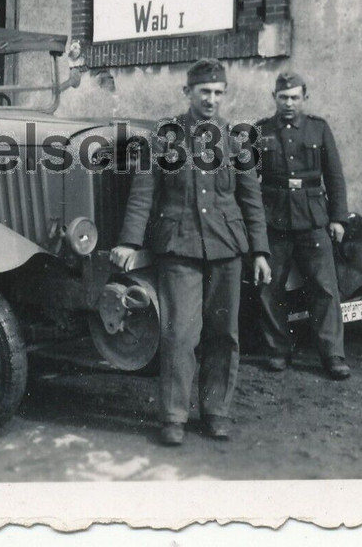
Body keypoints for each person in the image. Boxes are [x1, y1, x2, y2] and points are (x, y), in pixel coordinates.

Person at [111, 58, 272, 446]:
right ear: (188, 93)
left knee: (224, 335)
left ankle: (216, 411)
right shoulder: (165, 139)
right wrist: (130, 241)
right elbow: (143, 194)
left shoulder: (236, 142)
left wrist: (261, 252)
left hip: (226, 248)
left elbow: (251, 201)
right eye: (205, 92)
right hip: (180, 247)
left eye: (219, 93)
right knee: (180, 335)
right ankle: (173, 416)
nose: (212, 100)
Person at [253, 71, 352, 380]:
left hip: (312, 219)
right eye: (283, 97)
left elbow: (334, 176)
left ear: (304, 98)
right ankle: (278, 350)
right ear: (274, 98)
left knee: (324, 287)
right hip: (274, 219)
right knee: (270, 287)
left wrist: (337, 218)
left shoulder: (319, 129)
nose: (289, 103)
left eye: (295, 97)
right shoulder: (260, 131)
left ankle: (333, 354)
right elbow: (248, 181)